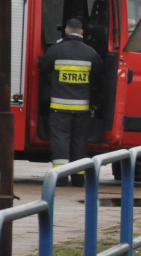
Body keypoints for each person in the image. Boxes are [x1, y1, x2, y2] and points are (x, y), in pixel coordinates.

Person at [38, 17, 104, 187]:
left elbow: (42, 67)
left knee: (61, 139)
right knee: (79, 140)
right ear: (81, 32)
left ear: (66, 31)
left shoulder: (55, 50)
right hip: (81, 107)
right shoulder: (91, 53)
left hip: (59, 107)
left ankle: (60, 176)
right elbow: (99, 76)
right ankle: (78, 177)